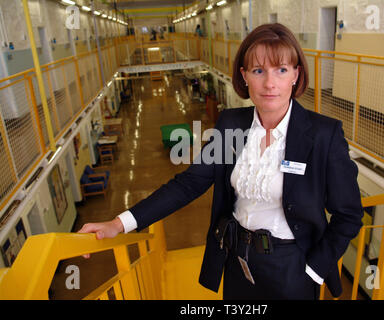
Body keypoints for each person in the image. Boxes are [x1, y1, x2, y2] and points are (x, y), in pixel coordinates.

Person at [78, 23, 363, 300]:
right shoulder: (232, 124)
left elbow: (348, 215)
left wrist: (313, 270)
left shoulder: (324, 134)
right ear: (244, 76)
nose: (269, 83)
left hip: (292, 266)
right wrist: (119, 223)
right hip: (237, 260)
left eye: (282, 70)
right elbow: (189, 184)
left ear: (296, 75)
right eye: (258, 70)